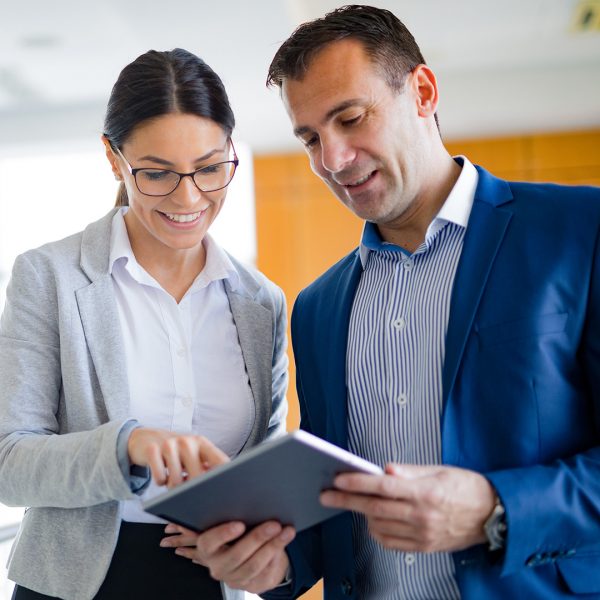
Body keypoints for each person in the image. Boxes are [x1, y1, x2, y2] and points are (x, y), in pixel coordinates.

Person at [171, 5, 600, 599]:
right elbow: (334, 505)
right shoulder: (318, 308)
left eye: (350, 118)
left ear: (422, 92)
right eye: (311, 138)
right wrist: (274, 565)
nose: (332, 160)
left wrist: (495, 509)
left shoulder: (580, 231)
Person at [0, 48, 288, 600]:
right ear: (114, 159)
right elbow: (9, 462)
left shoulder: (261, 303)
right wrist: (127, 447)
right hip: (74, 586)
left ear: (231, 150)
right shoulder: (50, 277)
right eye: (156, 173)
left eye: (209, 168)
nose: (188, 197)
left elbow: (262, 471)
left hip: (211, 584)